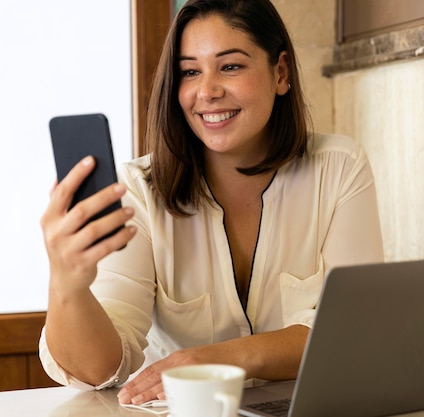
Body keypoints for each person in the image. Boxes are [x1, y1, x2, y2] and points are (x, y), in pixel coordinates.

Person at [39, 0, 384, 406]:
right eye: (189, 72)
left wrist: (214, 359)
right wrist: (67, 283)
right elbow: (98, 370)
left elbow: (353, 331)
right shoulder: (137, 190)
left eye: (231, 66)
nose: (207, 91)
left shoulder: (340, 169)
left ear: (281, 72)